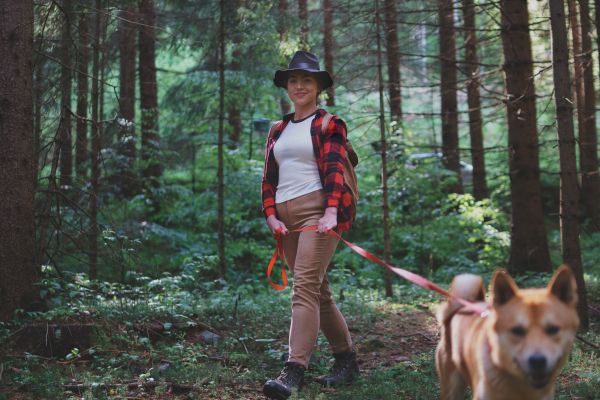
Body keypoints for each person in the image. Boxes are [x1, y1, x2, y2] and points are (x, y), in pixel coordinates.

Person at [261, 50, 359, 400]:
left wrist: (331, 212)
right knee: (317, 291)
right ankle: (346, 360)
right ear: (287, 86)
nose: (299, 85)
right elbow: (269, 177)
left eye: (306, 80)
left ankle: (293, 371)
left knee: (303, 287)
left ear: (318, 86)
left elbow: (334, 169)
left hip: (318, 212)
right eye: (293, 80)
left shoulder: (329, 123)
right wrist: (271, 215)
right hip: (285, 219)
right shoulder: (279, 128)